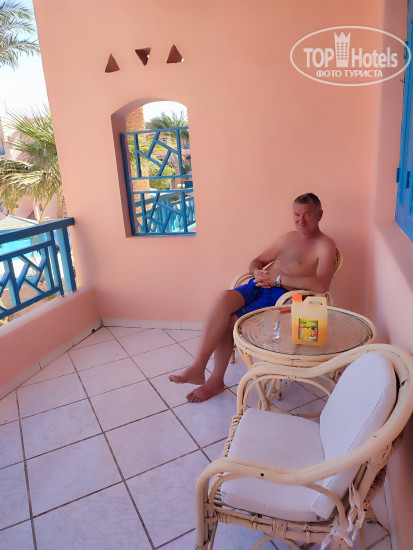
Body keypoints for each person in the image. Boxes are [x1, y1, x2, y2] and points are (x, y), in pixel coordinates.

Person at [169, 193, 337, 402]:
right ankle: (198, 366)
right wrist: (256, 271)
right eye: (296, 214)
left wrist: (278, 279)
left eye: (308, 215)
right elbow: (256, 261)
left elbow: (321, 284)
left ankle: (215, 381)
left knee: (231, 322)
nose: (300, 220)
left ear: (320, 215)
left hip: (282, 295)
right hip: (258, 285)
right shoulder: (288, 237)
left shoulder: (325, 244)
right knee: (224, 298)